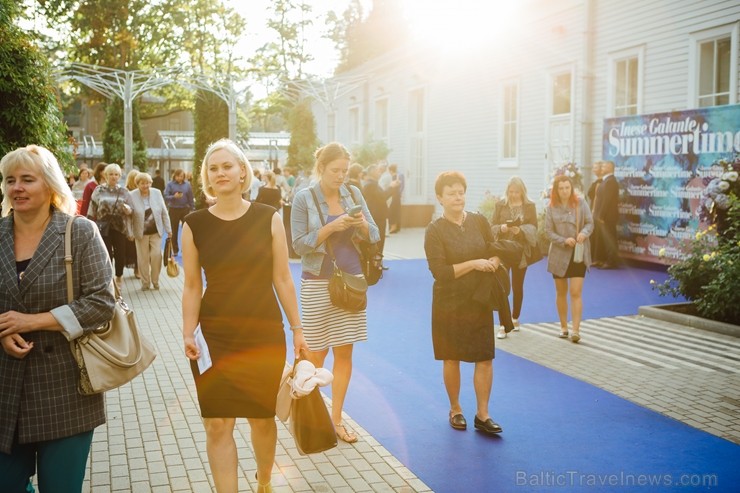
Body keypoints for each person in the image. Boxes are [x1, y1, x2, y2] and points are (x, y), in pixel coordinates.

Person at [181, 139, 307, 493]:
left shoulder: (268, 217)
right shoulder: (194, 224)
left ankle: (264, 481)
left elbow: (282, 277)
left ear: (242, 173)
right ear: (207, 177)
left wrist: (297, 329)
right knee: (217, 424)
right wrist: (188, 332)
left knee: (261, 418)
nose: (220, 172)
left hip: (263, 332)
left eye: (227, 166)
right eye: (213, 168)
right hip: (215, 336)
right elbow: (191, 285)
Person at [0, 145, 115, 493]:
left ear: (49, 184)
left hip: (65, 390)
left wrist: (31, 322)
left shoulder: (78, 232)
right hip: (5, 391)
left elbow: (101, 303)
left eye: (27, 179)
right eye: (10, 180)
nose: (16, 187)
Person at [291, 142, 380, 444]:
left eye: (345, 170)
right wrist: (333, 226)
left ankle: (337, 419)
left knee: (345, 352)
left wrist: (362, 225)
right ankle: (308, 415)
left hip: (350, 282)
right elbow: (299, 245)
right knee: (316, 354)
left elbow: (376, 234)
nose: (341, 176)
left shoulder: (353, 194)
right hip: (317, 281)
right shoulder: (304, 198)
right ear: (322, 167)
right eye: (335, 170)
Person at [424, 171, 508, 436]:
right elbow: (441, 272)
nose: (458, 197)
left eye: (461, 192)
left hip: (479, 299)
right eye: (451, 193)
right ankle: (455, 408)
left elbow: (494, 248)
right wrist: (473, 263)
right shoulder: (434, 230)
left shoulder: (479, 221)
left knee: (484, 357)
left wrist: (494, 261)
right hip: (449, 302)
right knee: (452, 358)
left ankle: (483, 414)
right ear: (440, 198)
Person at [490, 176, 542, 339]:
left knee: (517, 287)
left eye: (517, 192)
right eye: (511, 192)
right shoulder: (500, 205)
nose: (513, 195)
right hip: (503, 250)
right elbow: (491, 227)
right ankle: (503, 325)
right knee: (502, 287)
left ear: (522, 192)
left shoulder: (529, 206)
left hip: (521, 252)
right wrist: (502, 228)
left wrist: (520, 231)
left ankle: (515, 318)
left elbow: (534, 227)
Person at [545, 175, 594, 343]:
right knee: (561, 292)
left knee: (575, 292)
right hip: (559, 255)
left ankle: (576, 330)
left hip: (578, 254)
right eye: (561, 188)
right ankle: (564, 326)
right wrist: (563, 240)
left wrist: (583, 234)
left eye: (567, 187)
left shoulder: (580, 203)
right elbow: (548, 232)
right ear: (556, 190)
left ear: (571, 188)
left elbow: (590, 223)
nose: (565, 191)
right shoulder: (551, 207)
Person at [88, 163, 135, 289]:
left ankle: (119, 277)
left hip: (119, 227)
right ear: (105, 175)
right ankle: (108, 279)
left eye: (116, 174)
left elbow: (132, 210)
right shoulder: (99, 190)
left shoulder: (124, 191)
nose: (113, 177)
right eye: (111, 174)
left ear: (119, 176)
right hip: (103, 227)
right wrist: (89, 226)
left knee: (120, 253)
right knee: (106, 254)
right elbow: (92, 209)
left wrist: (127, 209)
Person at [130, 172, 171, 291]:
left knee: (156, 255)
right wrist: (130, 232)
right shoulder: (132, 195)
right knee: (143, 258)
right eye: (142, 183)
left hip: (155, 231)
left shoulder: (157, 193)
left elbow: (164, 212)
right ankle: (145, 282)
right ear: (137, 184)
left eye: (148, 183)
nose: (145, 185)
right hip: (140, 232)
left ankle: (155, 281)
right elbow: (128, 216)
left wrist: (169, 229)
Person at [362, 163, 399, 264]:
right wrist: (391, 187)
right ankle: (377, 262)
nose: (380, 173)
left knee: (378, 240)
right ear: (373, 172)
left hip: (376, 215)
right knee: (379, 240)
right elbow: (383, 196)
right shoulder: (372, 184)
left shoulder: (371, 184)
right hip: (377, 216)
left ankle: (377, 262)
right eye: (378, 171)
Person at [592, 160, 620, 269]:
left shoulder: (611, 181)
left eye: (604, 166)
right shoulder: (605, 180)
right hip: (602, 216)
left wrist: (601, 216)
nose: (602, 167)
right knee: (602, 239)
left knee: (610, 239)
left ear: (610, 167)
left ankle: (611, 261)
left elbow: (606, 201)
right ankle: (600, 259)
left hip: (608, 217)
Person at [164, 168, 195, 256]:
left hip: (185, 209)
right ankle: (175, 249)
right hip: (174, 209)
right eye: (178, 176)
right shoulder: (170, 184)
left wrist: (192, 208)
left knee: (186, 230)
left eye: (181, 176)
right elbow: (166, 196)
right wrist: (174, 196)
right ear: (175, 176)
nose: (180, 178)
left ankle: (185, 248)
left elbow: (190, 197)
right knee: (174, 230)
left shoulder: (187, 185)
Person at [587, 161, 605, 266]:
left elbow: (596, 197)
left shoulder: (601, 182)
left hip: (596, 210)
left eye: (596, 167)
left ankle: (597, 258)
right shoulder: (597, 181)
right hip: (592, 209)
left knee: (597, 235)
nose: (593, 169)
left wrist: (594, 211)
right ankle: (593, 257)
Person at [387, 163, 405, 234]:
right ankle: (396, 227)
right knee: (397, 211)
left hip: (394, 196)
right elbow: (402, 186)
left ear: (391, 170)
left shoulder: (393, 177)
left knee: (392, 211)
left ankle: (393, 227)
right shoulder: (399, 176)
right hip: (397, 195)